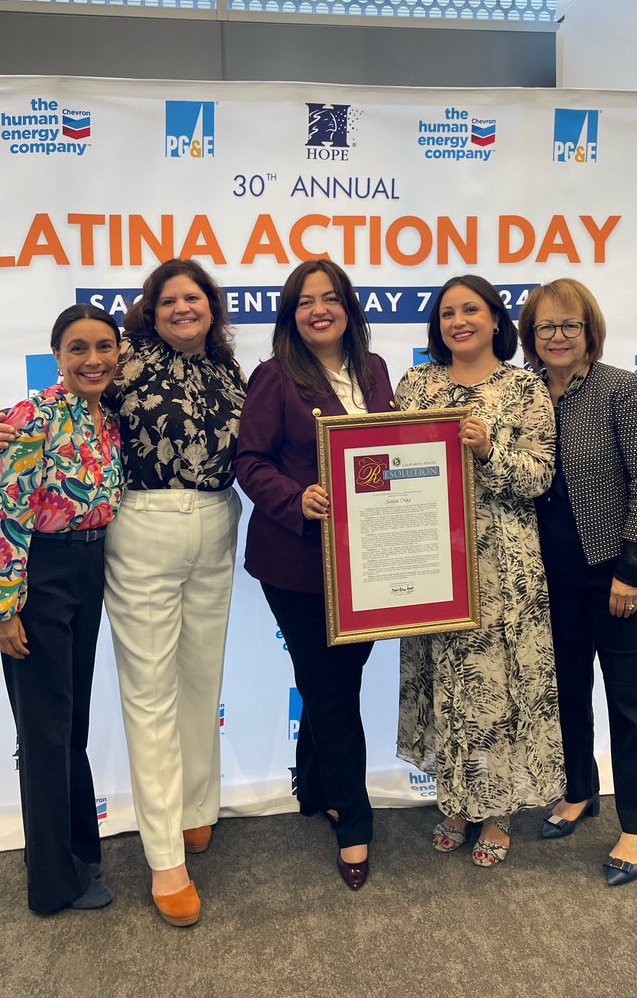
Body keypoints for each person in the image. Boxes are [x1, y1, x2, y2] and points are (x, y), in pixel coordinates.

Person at [0, 259, 246, 927]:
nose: (183, 308)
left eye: (194, 298)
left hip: (218, 525)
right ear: (149, 313)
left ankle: (192, 809)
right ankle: (165, 860)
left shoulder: (231, 373)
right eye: (169, 301)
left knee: (200, 680)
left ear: (211, 307)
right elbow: (61, 403)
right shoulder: (125, 366)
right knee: (151, 690)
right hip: (145, 525)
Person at [234, 260, 395, 891]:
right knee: (330, 689)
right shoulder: (275, 377)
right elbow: (249, 460)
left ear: (350, 308)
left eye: (330, 299)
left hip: (369, 561)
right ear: (290, 315)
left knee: (335, 677)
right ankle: (354, 823)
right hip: (298, 561)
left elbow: (388, 449)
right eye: (305, 302)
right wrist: (296, 497)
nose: (318, 310)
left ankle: (316, 785)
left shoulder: (376, 371)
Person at [395, 275, 563, 867]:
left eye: (471, 310)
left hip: (502, 563)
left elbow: (540, 476)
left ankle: (495, 812)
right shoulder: (416, 383)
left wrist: (489, 450)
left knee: (497, 686)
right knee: (449, 680)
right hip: (431, 557)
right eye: (446, 313)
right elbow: (387, 463)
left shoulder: (524, 388)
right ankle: (456, 801)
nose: (458, 321)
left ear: (496, 320)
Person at [0, 304, 123, 915]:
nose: (93, 359)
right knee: (44, 728)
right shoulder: (29, 417)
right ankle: (52, 883)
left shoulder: (105, 417)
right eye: (78, 348)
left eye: (104, 346)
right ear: (57, 356)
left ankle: (77, 849)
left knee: (69, 723)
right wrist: (3, 607)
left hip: (90, 569)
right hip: (41, 574)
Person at [517, 278, 637, 886]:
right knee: (568, 695)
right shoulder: (522, 394)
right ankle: (580, 791)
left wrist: (631, 572)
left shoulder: (621, 389)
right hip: (553, 580)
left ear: (589, 332)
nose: (556, 336)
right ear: (530, 336)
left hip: (618, 577)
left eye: (568, 326)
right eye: (545, 327)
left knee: (631, 706)